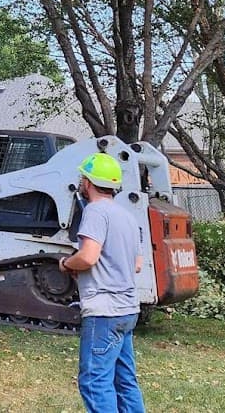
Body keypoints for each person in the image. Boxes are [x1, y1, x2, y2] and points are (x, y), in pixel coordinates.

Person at [59, 152, 146, 413]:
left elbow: (88, 257)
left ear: (88, 182)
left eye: (83, 178)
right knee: (125, 381)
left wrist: (67, 264)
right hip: (128, 309)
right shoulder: (127, 216)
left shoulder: (95, 211)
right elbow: (136, 264)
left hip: (105, 312)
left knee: (94, 382)